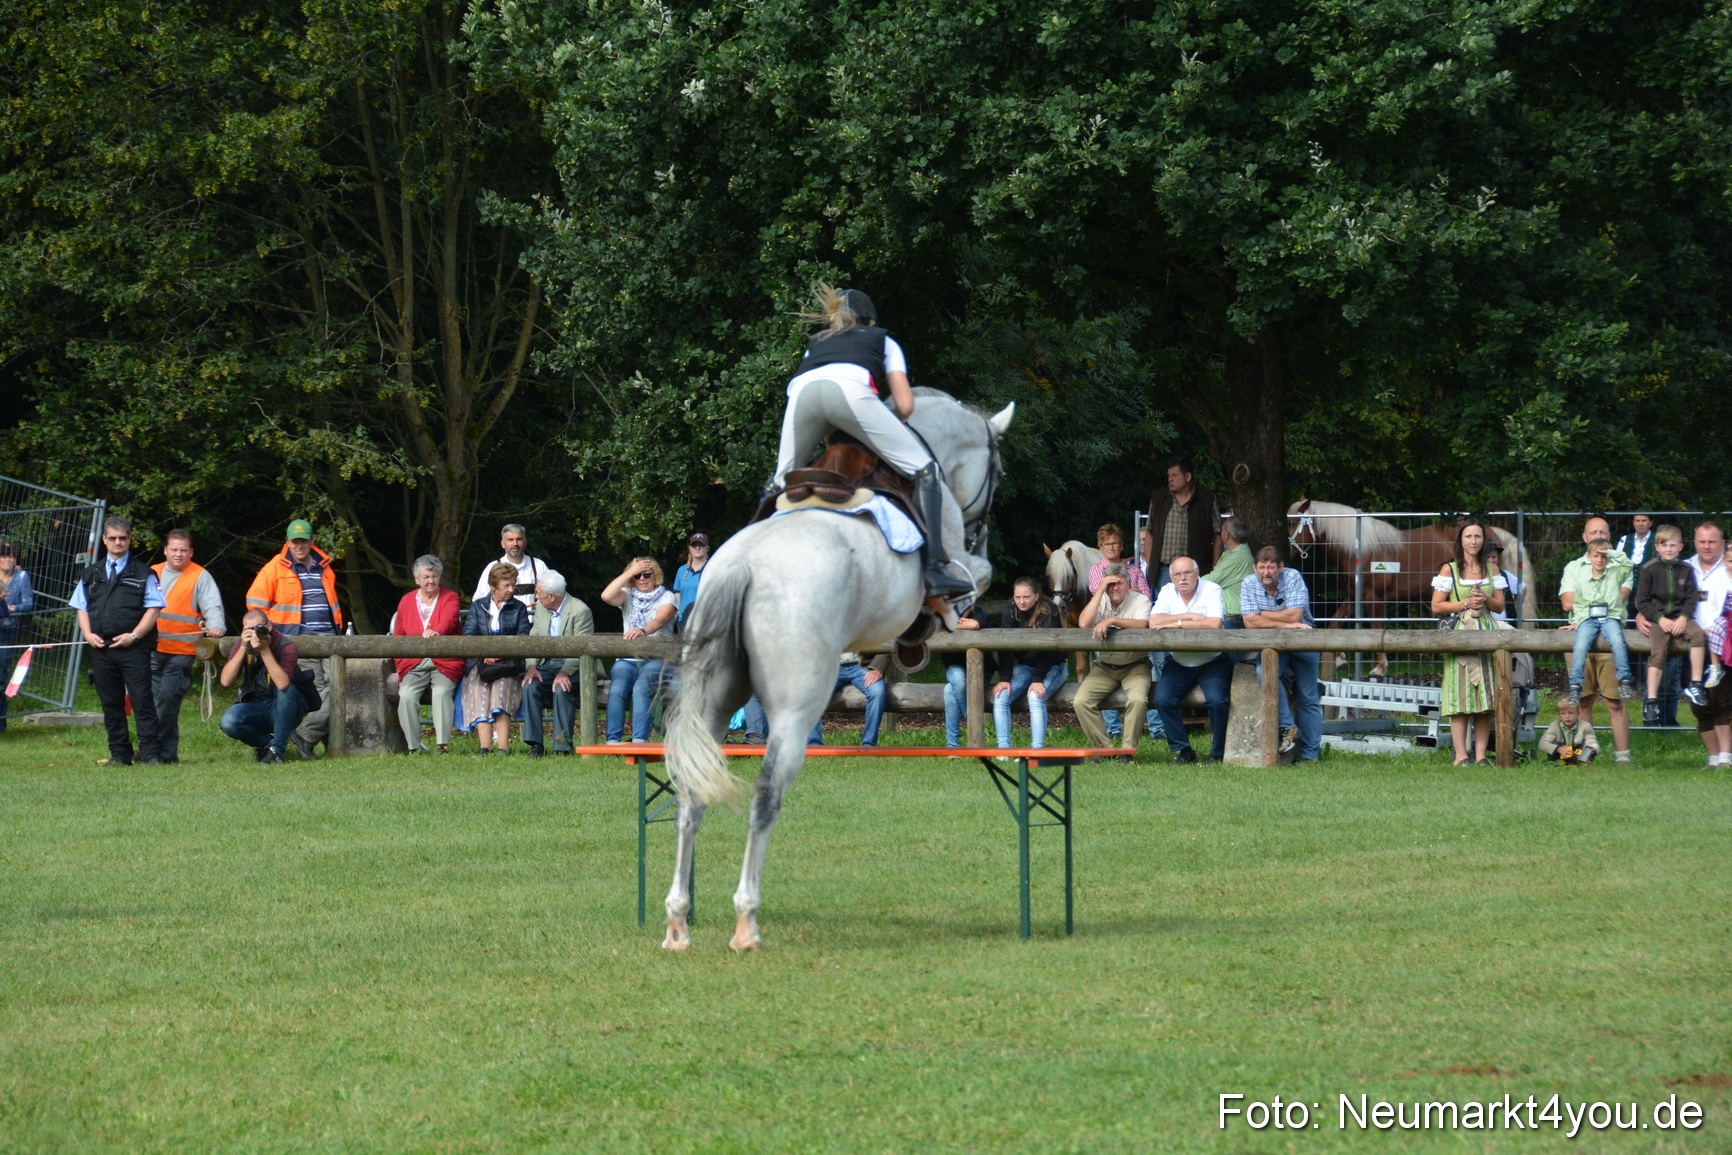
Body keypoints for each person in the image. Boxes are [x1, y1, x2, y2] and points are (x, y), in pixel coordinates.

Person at [768, 285, 977, 600]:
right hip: (850, 394)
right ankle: (935, 570)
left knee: (779, 480)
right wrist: (874, 422)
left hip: (802, 395)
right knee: (926, 471)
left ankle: (748, 545)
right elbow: (905, 407)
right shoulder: (884, 341)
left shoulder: (816, 344)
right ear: (870, 321)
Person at [245, 519, 343, 759]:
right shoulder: (274, 568)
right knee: (321, 692)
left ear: (312, 541)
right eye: (294, 541)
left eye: (303, 541)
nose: (299, 546)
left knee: (341, 689)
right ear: (287, 542)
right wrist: (269, 634)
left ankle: (305, 736)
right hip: (298, 640)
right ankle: (313, 740)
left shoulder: (324, 566)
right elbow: (255, 605)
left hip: (330, 638)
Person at [73, 518, 166, 765]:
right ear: (104, 540)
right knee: (111, 704)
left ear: (129, 540)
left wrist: (134, 635)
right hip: (101, 647)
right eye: (112, 538)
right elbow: (81, 607)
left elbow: (154, 608)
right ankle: (120, 755)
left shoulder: (144, 572)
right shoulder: (90, 573)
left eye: (122, 538)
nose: (117, 542)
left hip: (134, 648)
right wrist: (87, 634)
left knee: (141, 701)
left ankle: (151, 754)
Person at [1429, 519, 1506, 766]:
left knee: (1484, 697)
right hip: (1460, 633)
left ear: (1483, 541)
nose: (1473, 541)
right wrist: (1464, 604)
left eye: (1478, 537)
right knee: (1459, 696)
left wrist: (1485, 598)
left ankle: (1481, 756)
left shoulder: (1492, 570)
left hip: (1486, 632)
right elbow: (1436, 605)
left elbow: (1500, 605)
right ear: (1460, 541)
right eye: (1469, 537)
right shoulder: (1448, 570)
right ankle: (1461, 756)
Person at [146, 530, 226, 763]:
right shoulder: (153, 573)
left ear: (191, 552)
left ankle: (158, 753)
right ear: (165, 551)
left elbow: (212, 606)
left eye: (183, 550)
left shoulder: (200, 576)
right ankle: (159, 753)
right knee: (150, 704)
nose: (178, 554)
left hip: (181, 653)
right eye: (174, 549)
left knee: (167, 703)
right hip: (152, 650)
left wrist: (216, 627)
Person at [1240, 547, 1322, 762]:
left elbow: (1297, 614)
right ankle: (1288, 727)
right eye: (1262, 567)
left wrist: (1263, 615)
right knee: (1263, 673)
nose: (1266, 572)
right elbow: (1249, 622)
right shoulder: (1249, 582)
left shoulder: (1293, 576)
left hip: (1304, 639)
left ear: (1281, 568)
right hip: (1272, 644)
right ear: (1255, 568)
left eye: (1271, 567)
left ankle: (1310, 756)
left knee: (1308, 697)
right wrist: (1284, 624)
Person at [1150, 557, 1232, 764]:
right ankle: (1184, 751)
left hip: (1213, 661)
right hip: (1179, 661)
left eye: (1187, 573)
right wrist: (1188, 618)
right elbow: (1154, 621)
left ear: (1197, 574)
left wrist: (1174, 623)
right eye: (1177, 574)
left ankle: (1218, 753)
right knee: (1162, 700)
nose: (1183, 578)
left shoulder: (1212, 589)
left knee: (1217, 701)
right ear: (1171, 577)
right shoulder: (1167, 591)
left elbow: (1214, 623)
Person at [1073, 563, 1153, 757]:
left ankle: (1126, 751)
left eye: (1119, 583)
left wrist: (1111, 620)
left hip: (1136, 665)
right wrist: (1099, 591)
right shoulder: (1100, 599)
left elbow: (1143, 624)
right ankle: (1105, 750)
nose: (1115, 588)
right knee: (1080, 701)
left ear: (1128, 584)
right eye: (1110, 584)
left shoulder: (1140, 600)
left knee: (1137, 699)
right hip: (1105, 667)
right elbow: (1083, 623)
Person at [1632, 525, 1711, 724]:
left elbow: (1692, 598)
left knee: (1698, 636)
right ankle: (1651, 700)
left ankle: (1696, 684)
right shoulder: (1649, 569)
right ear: (1657, 547)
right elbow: (1641, 600)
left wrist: (1684, 617)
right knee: (1658, 652)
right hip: (1659, 619)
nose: (1668, 549)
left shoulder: (1686, 569)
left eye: (1673, 545)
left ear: (1680, 547)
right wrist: (1659, 619)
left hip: (1681, 617)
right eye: (1664, 545)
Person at [601, 557, 678, 743]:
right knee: (617, 688)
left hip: (657, 657)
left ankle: (639, 741)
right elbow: (606, 596)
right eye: (637, 575)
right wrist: (629, 572)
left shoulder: (667, 597)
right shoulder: (627, 594)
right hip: (628, 659)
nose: (642, 578)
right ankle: (613, 741)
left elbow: (661, 619)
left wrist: (642, 631)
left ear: (655, 576)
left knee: (640, 687)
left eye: (647, 574)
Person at [392, 555, 464, 754]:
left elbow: (449, 620)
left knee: (441, 693)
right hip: (413, 663)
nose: (430, 580)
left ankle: (443, 745)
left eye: (434, 576)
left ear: (440, 577)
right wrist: (400, 668)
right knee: (406, 696)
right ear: (417, 580)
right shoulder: (406, 601)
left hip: (445, 661)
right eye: (425, 577)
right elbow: (398, 636)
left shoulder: (451, 597)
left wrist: (437, 631)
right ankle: (413, 746)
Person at [218, 610, 309, 762]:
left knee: (286, 690)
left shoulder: (285, 645)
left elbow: (282, 683)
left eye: (259, 627)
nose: (255, 632)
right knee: (228, 722)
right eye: (249, 629)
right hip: (256, 706)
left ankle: (277, 751)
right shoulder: (242, 645)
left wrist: (264, 650)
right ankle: (269, 746)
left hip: (287, 709)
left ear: (269, 626)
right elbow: (226, 681)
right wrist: (242, 647)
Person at [461, 562, 533, 754]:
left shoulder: (519, 608)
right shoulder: (478, 607)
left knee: (502, 690)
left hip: (509, 663)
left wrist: (499, 655)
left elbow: (522, 637)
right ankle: (484, 747)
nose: (511, 589)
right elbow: (469, 636)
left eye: (513, 585)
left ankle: (503, 747)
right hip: (480, 662)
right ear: (493, 586)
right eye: (506, 585)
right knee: (479, 690)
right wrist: (486, 654)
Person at [521, 570, 594, 756]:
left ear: (551, 596)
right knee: (530, 685)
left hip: (577, 666)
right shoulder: (541, 609)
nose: (536, 597)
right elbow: (533, 640)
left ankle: (562, 746)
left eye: (538, 593)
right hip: (547, 664)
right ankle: (536, 744)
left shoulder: (580, 610)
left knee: (562, 689)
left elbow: (582, 649)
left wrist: (564, 672)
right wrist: (531, 667)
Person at [991, 578, 1068, 750]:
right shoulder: (1010, 611)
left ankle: (1037, 749)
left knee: (1035, 696)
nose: (1021, 601)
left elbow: (1047, 648)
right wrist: (1005, 678)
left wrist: (1038, 679)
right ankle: (1003, 750)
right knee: (1000, 695)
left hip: (1053, 666)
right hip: (1025, 666)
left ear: (1036, 596)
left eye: (1026, 597)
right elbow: (1006, 647)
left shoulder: (1049, 610)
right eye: (1017, 597)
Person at [1560, 540, 1636, 706]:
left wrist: (1610, 553)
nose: (1600, 560)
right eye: (1596, 556)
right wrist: (1578, 620)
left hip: (1610, 617)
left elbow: (1628, 563)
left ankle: (1624, 679)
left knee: (1617, 640)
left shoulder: (1615, 571)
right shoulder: (1582, 574)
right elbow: (1578, 603)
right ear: (1588, 557)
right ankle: (1575, 684)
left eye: (1604, 556)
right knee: (1580, 645)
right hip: (1588, 618)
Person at [1682, 522, 1732, 766]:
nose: (1707, 546)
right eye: (1702, 541)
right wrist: (1641, 615)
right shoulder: (1685, 567)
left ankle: (1726, 755)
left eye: (1712, 541)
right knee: (1698, 704)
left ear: (1722, 543)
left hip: (1724, 647)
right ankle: (1713, 757)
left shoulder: (1729, 566)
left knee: (1723, 700)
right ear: (1695, 542)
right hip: (1689, 646)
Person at [1141, 457, 1221, 589]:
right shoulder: (1158, 498)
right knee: (1166, 608)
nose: (1169, 479)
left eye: (1174, 475)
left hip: (1196, 569)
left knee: (1195, 607)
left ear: (1188, 476)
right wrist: (1151, 564)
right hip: (1165, 570)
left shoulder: (1207, 500)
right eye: (1168, 475)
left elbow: (1218, 535)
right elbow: (1149, 532)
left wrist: (1215, 566)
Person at [810, 653, 890, 746]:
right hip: (830, 667)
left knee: (877, 692)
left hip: (862, 667)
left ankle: (869, 745)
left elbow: (886, 641)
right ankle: (814, 745)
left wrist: (877, 668)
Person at [940, 606, 989, 749]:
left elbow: (974, 624)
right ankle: (973, 724)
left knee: (949, 690)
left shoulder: (980, 614)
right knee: (957, 677)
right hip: (955, 668)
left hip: (981, 672)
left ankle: (953, 746)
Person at [469, 523, 549, 611]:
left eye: (519, 539)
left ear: (525, 542)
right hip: (501, 623)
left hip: (533, 623)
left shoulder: (538, 565)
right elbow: (479, 600)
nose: (515, 543)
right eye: (510, 540)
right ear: (503, 544)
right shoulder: (492, 567)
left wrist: (542, 605)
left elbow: (551, 595)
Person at [0, 540, 35, 734]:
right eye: (4, 556)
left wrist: (10, 608)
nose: (8, 560)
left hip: (6, 633)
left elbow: (28, 604)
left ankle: (1, 724)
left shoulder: (21, 576)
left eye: (11, 556)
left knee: (0, 679)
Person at [1205, 516, 1254, 631]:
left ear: (1226, 534)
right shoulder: (1239, 552)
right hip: (1232, 618)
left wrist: (1188, 578)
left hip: (1232, 619)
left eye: (1222, 529)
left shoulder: (1236, 557)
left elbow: (1211, 580)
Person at [1539, 700, 1599, 764]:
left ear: (1578, 714)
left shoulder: (1585, 726)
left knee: (1588, 746)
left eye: (1571, 713)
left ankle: (1581, 762)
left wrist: (1591, 750)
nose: (1567, 716)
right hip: (1560, 753)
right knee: (1552, 743)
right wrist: (1558, 749)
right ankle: (1557, 762)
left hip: (1578, 752)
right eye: (1563, 713)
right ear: (1558, 715)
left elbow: (1592, 742)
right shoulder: (1554, 726)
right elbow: (1542, 744)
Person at [671, 533, 710, 629]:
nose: (697, 548)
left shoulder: (713, 569)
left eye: (701, 545)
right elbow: (677, 597)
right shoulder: (682, 570)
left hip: (707, 621)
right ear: (689, 548)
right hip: (684, 621)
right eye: (694, 545)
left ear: (707, 548)